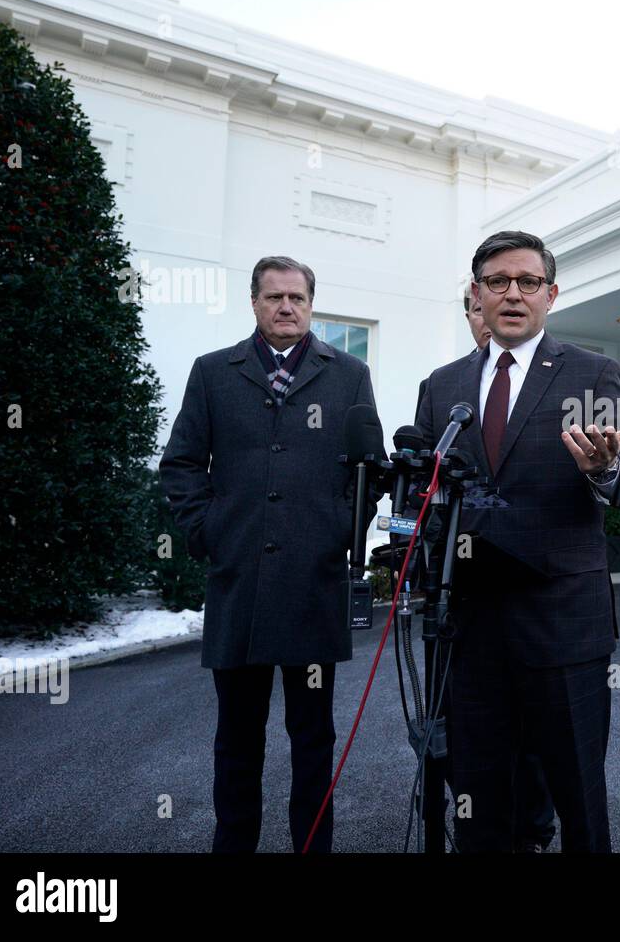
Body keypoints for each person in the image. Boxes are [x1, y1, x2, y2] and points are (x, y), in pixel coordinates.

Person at [415, 230, 620, 853]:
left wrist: (603, 469)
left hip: (562, 622)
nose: (512, 294)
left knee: (577, 794)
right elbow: (425, 490)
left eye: (527, 283)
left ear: (551, 294)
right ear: (478, 294)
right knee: (478, 797)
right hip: (468, 627)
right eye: (498, 282)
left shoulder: (590, 372)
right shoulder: (442, 386)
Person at [160, 255, 379, 853]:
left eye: (298, 299)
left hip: (315, 582)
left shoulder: (349, 374)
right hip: (239, 584)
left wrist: (342, 530)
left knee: (313, 739)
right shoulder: (213, 373)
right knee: (237, 738)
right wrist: (208, 531)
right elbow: (180, 465)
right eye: (274, 297)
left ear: (312, 305)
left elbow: (369, 471)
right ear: (254, 303)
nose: (287, 307)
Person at [415, 291, 558, 853]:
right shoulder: (446, 391)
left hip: (535, 597)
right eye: (475, 311)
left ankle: (534, 831)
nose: (487, 319)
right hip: (460, 598)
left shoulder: (551, 381)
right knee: (463, 729)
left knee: (534, 734)